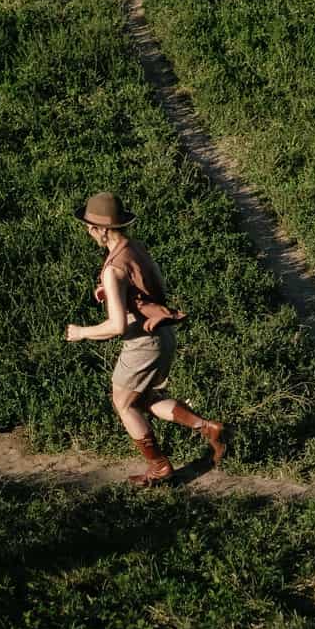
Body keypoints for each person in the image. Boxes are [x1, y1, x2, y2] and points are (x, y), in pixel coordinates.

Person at [65, 191, 226, 486]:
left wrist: (81, 332)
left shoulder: (114, 268)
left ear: (102, 229)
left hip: (143, 343)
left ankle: (160, 467)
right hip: (163, 334)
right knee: (145, 399)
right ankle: (207, 427)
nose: (88, 232)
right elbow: (152, 288)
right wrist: (113, 293)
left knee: (124, 404)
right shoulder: (134, 248)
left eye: (89, 227)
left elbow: (116, 326)